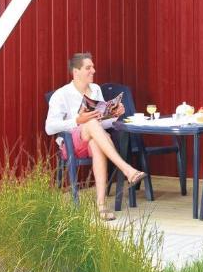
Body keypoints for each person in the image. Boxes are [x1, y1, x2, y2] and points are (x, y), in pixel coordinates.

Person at [45, 52, 144, 220]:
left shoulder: (96, 89)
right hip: (72, 144)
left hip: (93, 140)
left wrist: (114, 114)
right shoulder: (61, 95)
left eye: (93, 67)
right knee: (90, 123)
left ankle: (101, 206)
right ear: (76, 72)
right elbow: (49, 128)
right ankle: (126, 168)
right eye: (88, 68)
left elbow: (102, 122)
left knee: (96, 141)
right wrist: (78, 120)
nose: (93, 70)